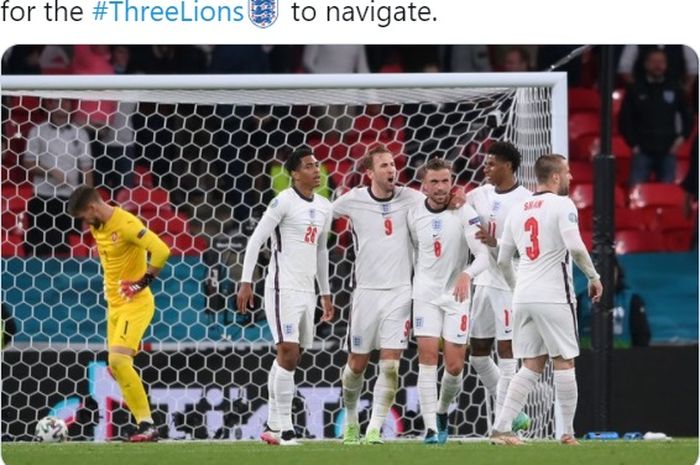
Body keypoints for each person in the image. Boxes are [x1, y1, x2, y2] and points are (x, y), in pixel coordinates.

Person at [492, 154, 603, 446]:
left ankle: (502, 428)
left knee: (531, 365)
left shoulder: (517, 210)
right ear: (554, 177)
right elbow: (575, 247)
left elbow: (503, 260)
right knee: (564, 361)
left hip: (524, 296)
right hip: (554, 296)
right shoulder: (562, 204)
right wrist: (594, 277)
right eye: (567, 173)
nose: (570, 178)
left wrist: (518, 288)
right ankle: (567, 433)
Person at [237, 147, 334, 446]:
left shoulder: (324, 206)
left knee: (290, 357)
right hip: (281, 287)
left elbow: (321, 250)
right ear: (293, 173)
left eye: (317, 165)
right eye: (308, 166)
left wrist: (325, 292)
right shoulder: (282, 202)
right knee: (289, 353)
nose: (316, 170)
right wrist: (245, 281)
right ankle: (287, 430)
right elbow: (256, 241)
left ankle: (273, 426)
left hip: (307, 290)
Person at [333, 145, 425, 445]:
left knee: (390, 364)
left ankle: (374, 428)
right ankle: (350, 421)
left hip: (400, 292)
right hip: (365, 294)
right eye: (384, 166)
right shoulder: (353, 200)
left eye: (393, 164)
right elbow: (321, 216)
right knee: (356, 365)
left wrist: (458, 200)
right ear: (370, 173)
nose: (391, 170)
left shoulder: (411, 197)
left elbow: (441, 202)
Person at [67, 185, 171, 442]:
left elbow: (161, 250)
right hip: (114, 307)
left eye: (83, 217)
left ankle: (147, 424)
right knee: (117, 367)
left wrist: (141, 283)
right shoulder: (98, 226)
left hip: (135, 304)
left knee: (118, 362)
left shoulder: (125, 223)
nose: (84, 223)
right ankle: (144, 425)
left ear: (92, 208)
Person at [407, 158, 490, 444]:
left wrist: (466, 274)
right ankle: (430, 427)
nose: (441, 187)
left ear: (452, 181)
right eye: (434, 182)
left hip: (457, 295)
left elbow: (484, 255)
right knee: (427, 357)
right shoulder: (413, 212)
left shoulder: (465, 212)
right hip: (425, 295)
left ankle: (442, 412)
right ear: (424, 185)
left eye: (446, 180)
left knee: (454, 366)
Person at [465, 141, 532, 425]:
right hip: (483, 281)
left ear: (509, 166)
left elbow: (529, 247)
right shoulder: (477, 195)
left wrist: (498, 242)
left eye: (492, 164)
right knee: (478, 353)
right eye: (486, 162)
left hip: (509, 282)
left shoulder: (527, 200)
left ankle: (502, 423)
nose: (486, 168)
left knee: (507, 352)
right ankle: (514, 413)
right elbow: (459, 206)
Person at [23, 98, 93, 256]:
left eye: (67, 102)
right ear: (49, 105)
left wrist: (88, 201)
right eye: (58, 101)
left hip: (71, 198)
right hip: (43, 197)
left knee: (67, 249)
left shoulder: (80, 133)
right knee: (39, 248)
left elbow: (87, 169)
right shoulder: (37, 131)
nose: (63, 105)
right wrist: (51, 171)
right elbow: (28, 163)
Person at [619, 48, 693, 186]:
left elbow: (687, 116)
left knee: (667, 194)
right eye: (654, 62)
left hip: (668, 150)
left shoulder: (675, 88)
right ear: (646, 64)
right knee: (637, 191)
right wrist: (633, 144)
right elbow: (625, 120)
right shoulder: (635, 89)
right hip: (642, 151)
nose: (658, 66)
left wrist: (681, 138)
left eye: (661, 62)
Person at [577, 255, 651, 348]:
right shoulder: (580, 300)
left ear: (617, 272)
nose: (604, 275)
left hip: (625, 360)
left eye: (609, 270)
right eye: (599, 271)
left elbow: (642, 338)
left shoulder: (632, 300)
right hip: (586, 359)